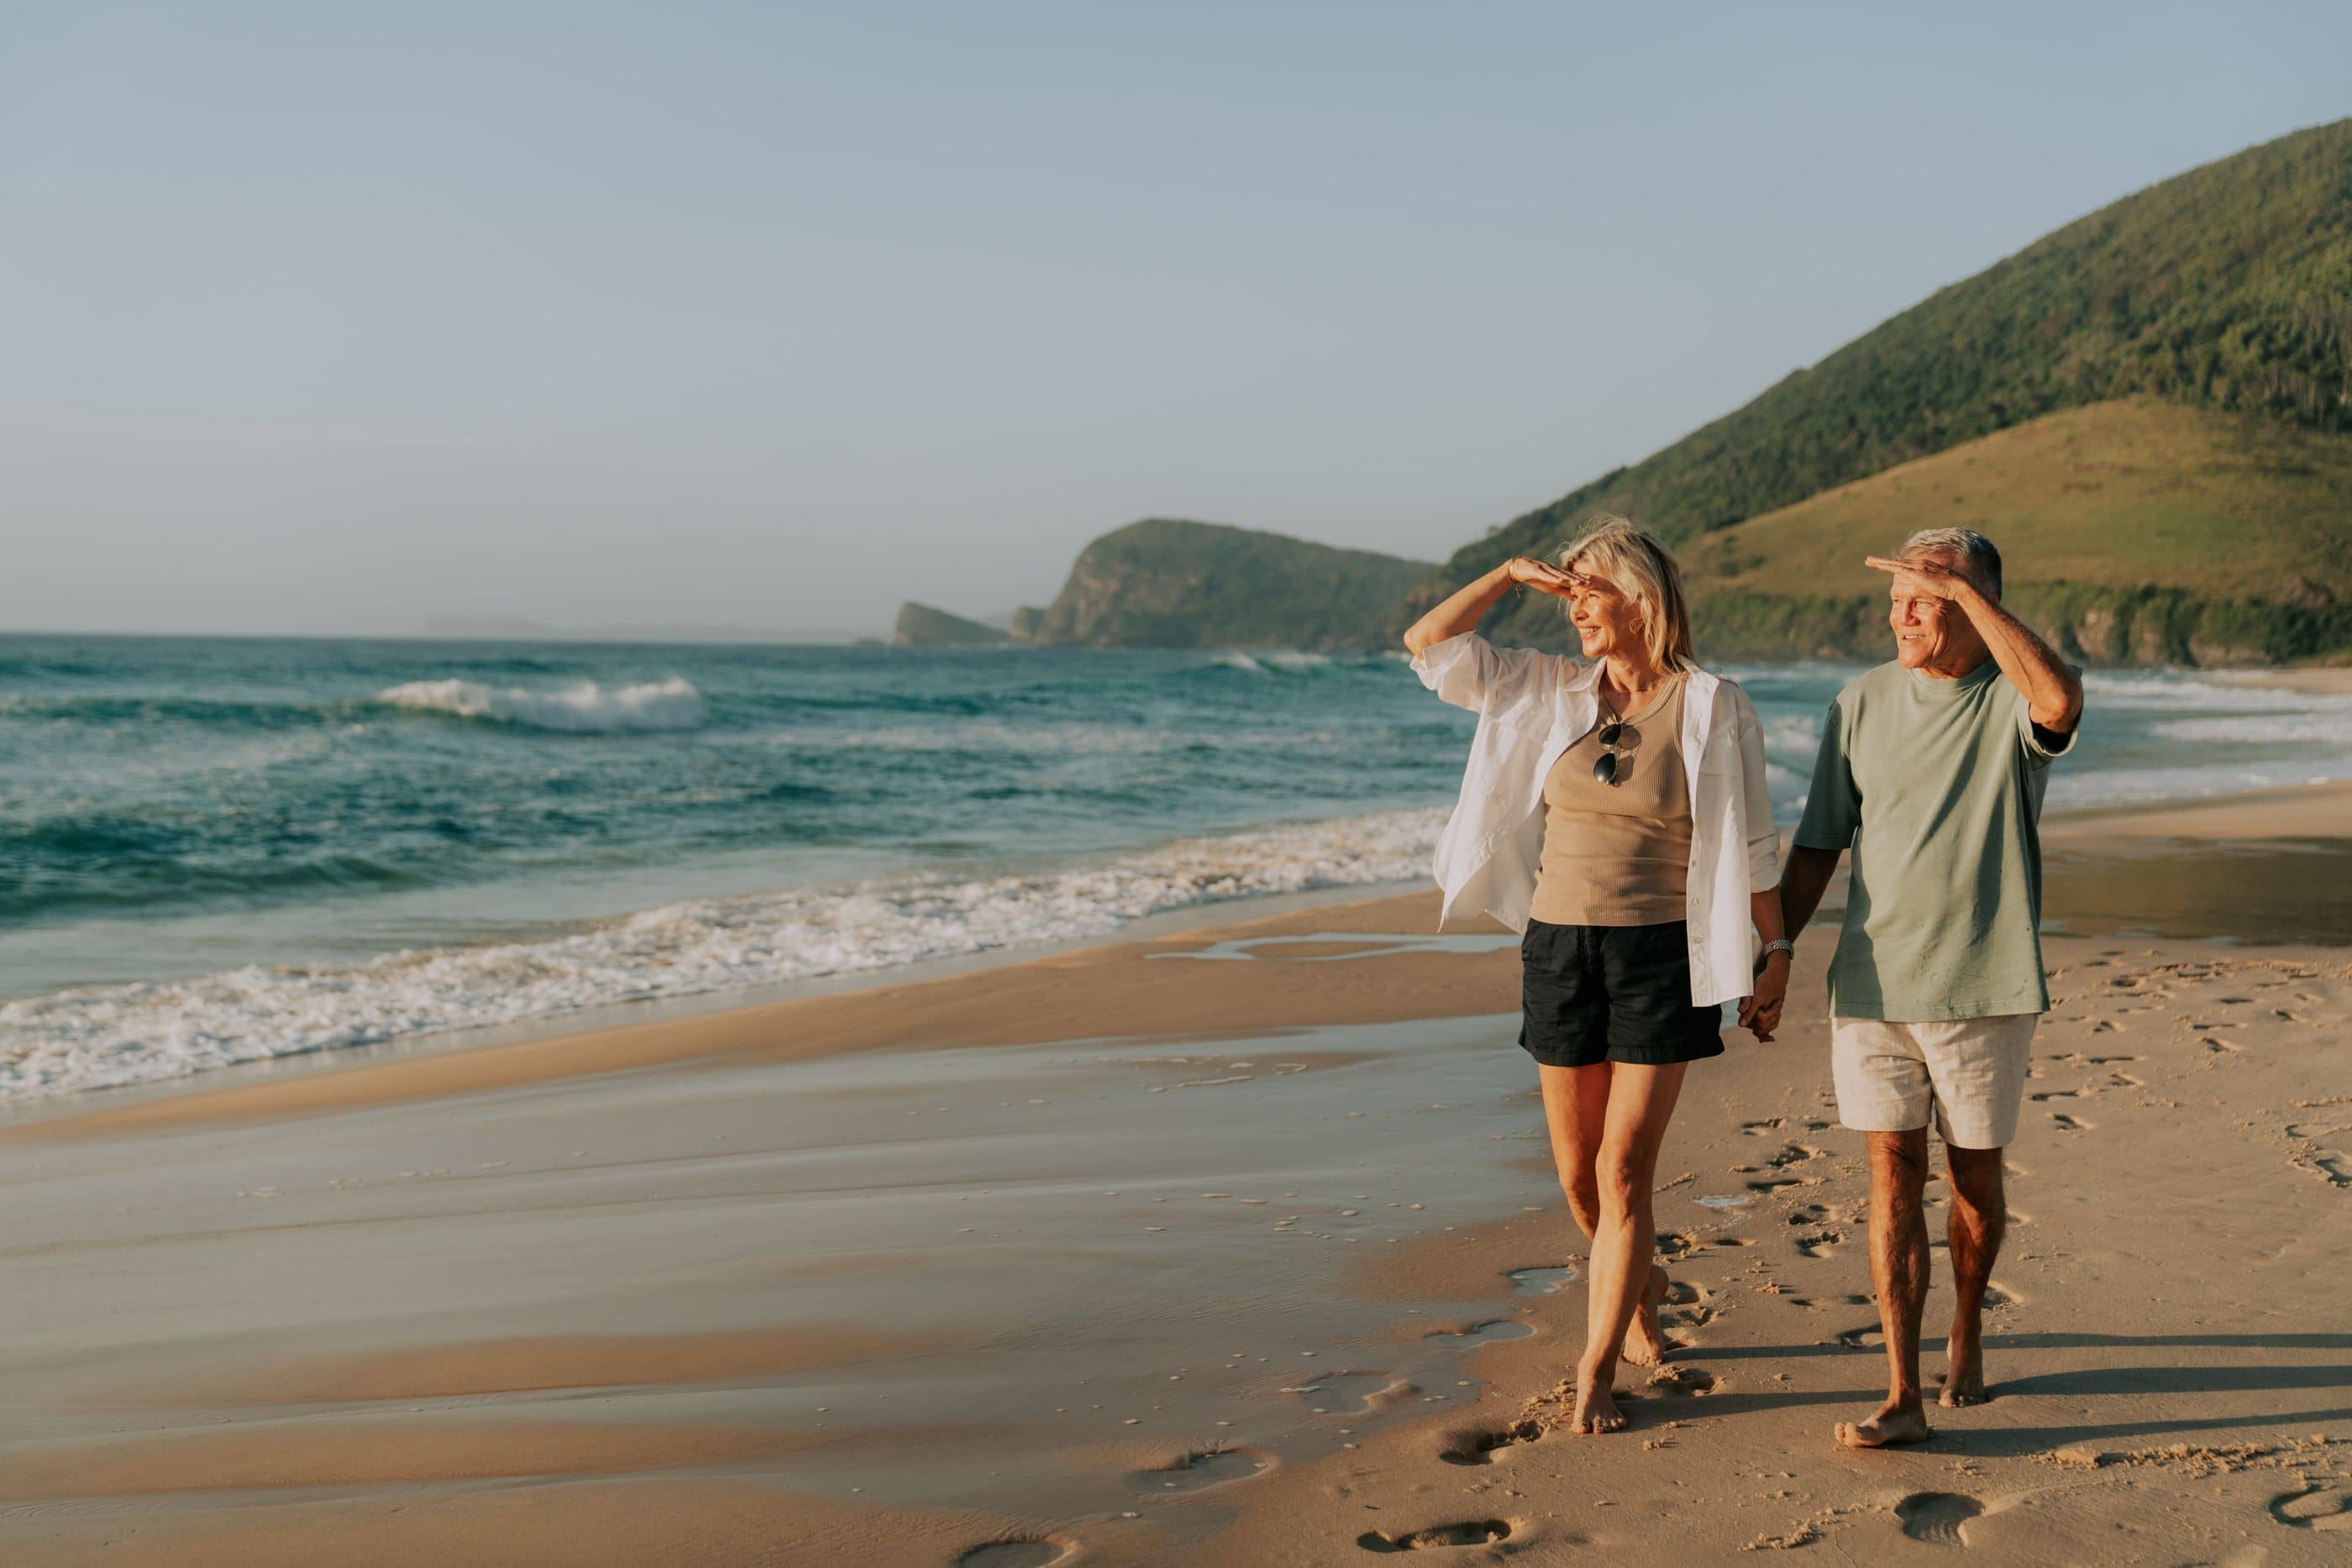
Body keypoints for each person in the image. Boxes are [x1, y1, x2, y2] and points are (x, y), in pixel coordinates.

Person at [1404, 515, 1787, 1436]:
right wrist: (1504, 572)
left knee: (1624, 1170)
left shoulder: (1710, 705)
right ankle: (1644, 1284)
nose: (1574, 605)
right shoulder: (1545, 688)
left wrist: (1772, 954)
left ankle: (1594, 1370)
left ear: (1641, 598)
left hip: (1661, 954)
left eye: (1591, 589)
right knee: (1580, 1179)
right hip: (1558, 948)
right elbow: (1428, 645)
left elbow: (1753, 840)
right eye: (1567, 589)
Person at [1777, 527, 2084, 1449]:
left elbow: (2061, 700)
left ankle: (1970, 1320)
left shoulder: (2009, 703)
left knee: (1975, 1183)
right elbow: (1817, 845)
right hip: (1872, 984)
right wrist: (1773, 952)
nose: (1900, 612)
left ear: (1970, 604)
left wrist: (1967, 593)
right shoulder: (1860, 701)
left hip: (1983, 983)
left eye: (1924, 595)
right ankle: (1900, 1390)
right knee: (1890, 1177)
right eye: (1900, 595)